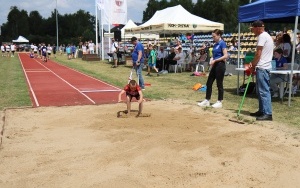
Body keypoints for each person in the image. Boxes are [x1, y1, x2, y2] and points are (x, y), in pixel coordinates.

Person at [248, 20, 274, 121]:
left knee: (263, 91)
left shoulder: (262, 37)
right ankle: (262, 110)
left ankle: (267, 113)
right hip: (263, 66)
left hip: (263, 67)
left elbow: (258, 54)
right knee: (260, 91)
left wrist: (252, 64)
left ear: (258, 28)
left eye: (253, 28)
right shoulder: (266, 36)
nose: (252, 30)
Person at [198, 29, 228, 108]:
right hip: (214, 65)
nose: (213, 38)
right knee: (209, 82)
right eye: (212, 36)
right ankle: (207, 100)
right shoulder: (215, 44)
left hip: (220, 65)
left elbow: (225, 56)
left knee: (219, 84)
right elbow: (215, 55)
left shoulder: (222, 43)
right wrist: (212, 60)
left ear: (219, 35)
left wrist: (216, 60)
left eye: (214, 36)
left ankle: (219, 101)